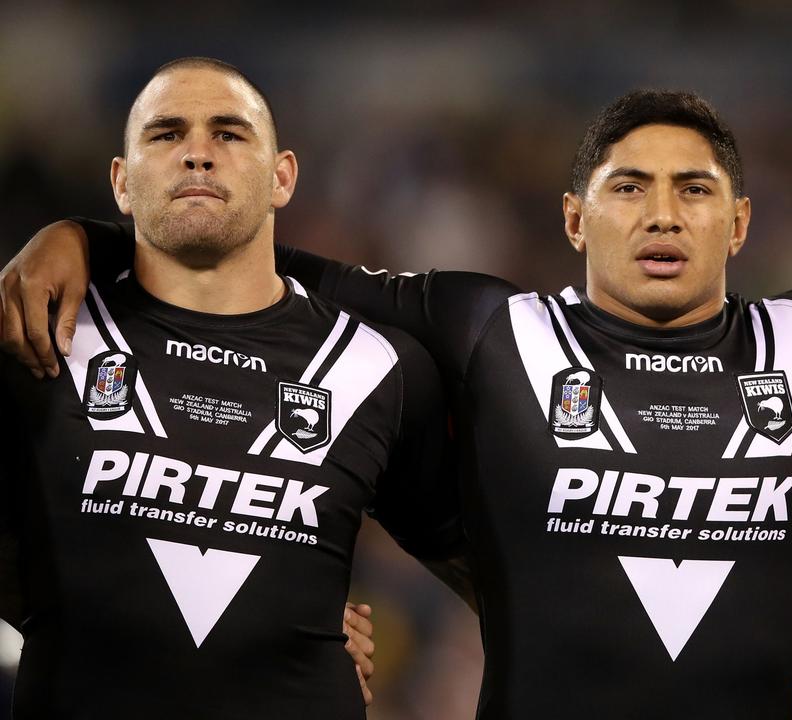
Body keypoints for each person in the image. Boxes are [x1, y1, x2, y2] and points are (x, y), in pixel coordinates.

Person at [4, 90, 792, 718]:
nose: (659, 213)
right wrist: (80, 234)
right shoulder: (487, 327)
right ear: (572, 219)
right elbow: (244, 251)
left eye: (689, 189)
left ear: (741, 218)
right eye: (625, 187)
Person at [0, 57, 453, 718]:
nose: (197, 155)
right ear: (122, 184)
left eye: (229, 133)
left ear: (283, 177)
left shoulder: (379, 367)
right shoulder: (42, 332)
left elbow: (480, 565)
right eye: (165, 134)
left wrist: (307, 630)